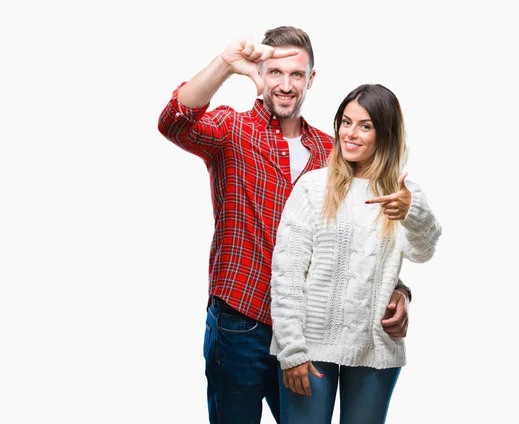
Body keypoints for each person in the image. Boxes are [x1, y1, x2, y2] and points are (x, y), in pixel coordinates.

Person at [157, 26, 412, 424]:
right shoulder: (232, 130)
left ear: (311, 80)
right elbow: (174, 121)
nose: (286, 84)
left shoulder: (333, 152)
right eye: (275, 72)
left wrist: (398, 290)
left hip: (310, 333)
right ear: (260, 74)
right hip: (241, 321)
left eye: (296, 74)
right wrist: (226, 64)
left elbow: (367, 238)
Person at [270, 83, 442, 424]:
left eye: (365, 126)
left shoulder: (401, 194)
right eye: (346, 122)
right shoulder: (312, 188)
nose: (350, 134)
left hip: (375, 348)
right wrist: (291, 351)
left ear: (385, 134)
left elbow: (423, 252)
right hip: (310, 348)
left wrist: (412, 211)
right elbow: (287, 274)